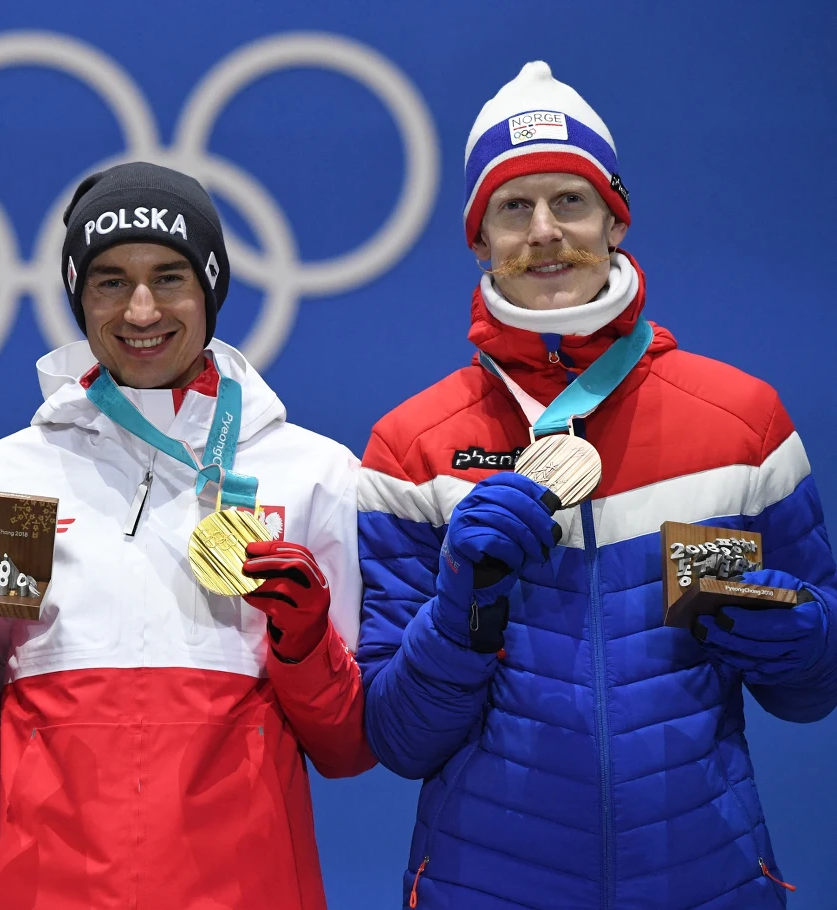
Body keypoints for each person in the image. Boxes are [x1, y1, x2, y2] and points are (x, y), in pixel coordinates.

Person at [357, 62, 837, 908]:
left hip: (710, 885)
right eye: (513, 208)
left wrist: (801, 637)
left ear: (615, 218)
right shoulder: (411, 447)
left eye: (569, 201)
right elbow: (397, 736)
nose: (545, 232)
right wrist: (462, 612)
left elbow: (815, 692)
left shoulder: (743, 420)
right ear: (479, 240)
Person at [0, 162, 375, 909]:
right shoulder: (12, 477)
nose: (142, 309)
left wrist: (305, 646)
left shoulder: (311, 473)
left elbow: (348, 747)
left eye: (170, 277)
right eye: (110, 281)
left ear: (212, 288)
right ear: (78, 298)